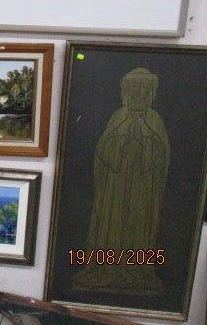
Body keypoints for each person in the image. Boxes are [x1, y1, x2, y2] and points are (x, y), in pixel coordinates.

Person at [72, 68, 170, 294]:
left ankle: (137, 270)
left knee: (138, 223)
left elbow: (163, 153)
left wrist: (145, 142)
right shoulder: (118, 116)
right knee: (113, 222)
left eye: (143, 89)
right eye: (134, 89)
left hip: (143, 184)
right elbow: (103, 149)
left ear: (150, 93)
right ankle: (106, 269)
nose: (138, 94)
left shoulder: (154, 119)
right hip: (116, 183)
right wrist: (122, 144)